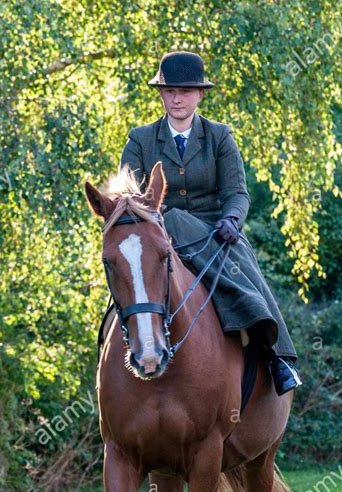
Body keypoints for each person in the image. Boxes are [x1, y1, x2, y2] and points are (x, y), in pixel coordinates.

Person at [119, 50, 302, 395]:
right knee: (125, 275)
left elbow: (237, 192)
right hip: (157, 232)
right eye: (170, 90)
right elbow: (129, 196)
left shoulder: (220, 137)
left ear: (200, 94)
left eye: (186, 91)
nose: (177, 98)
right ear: (160, 93)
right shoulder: (140, 140)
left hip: (213, 232)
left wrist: (232, 219)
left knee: (248, 273)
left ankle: (279, 358)